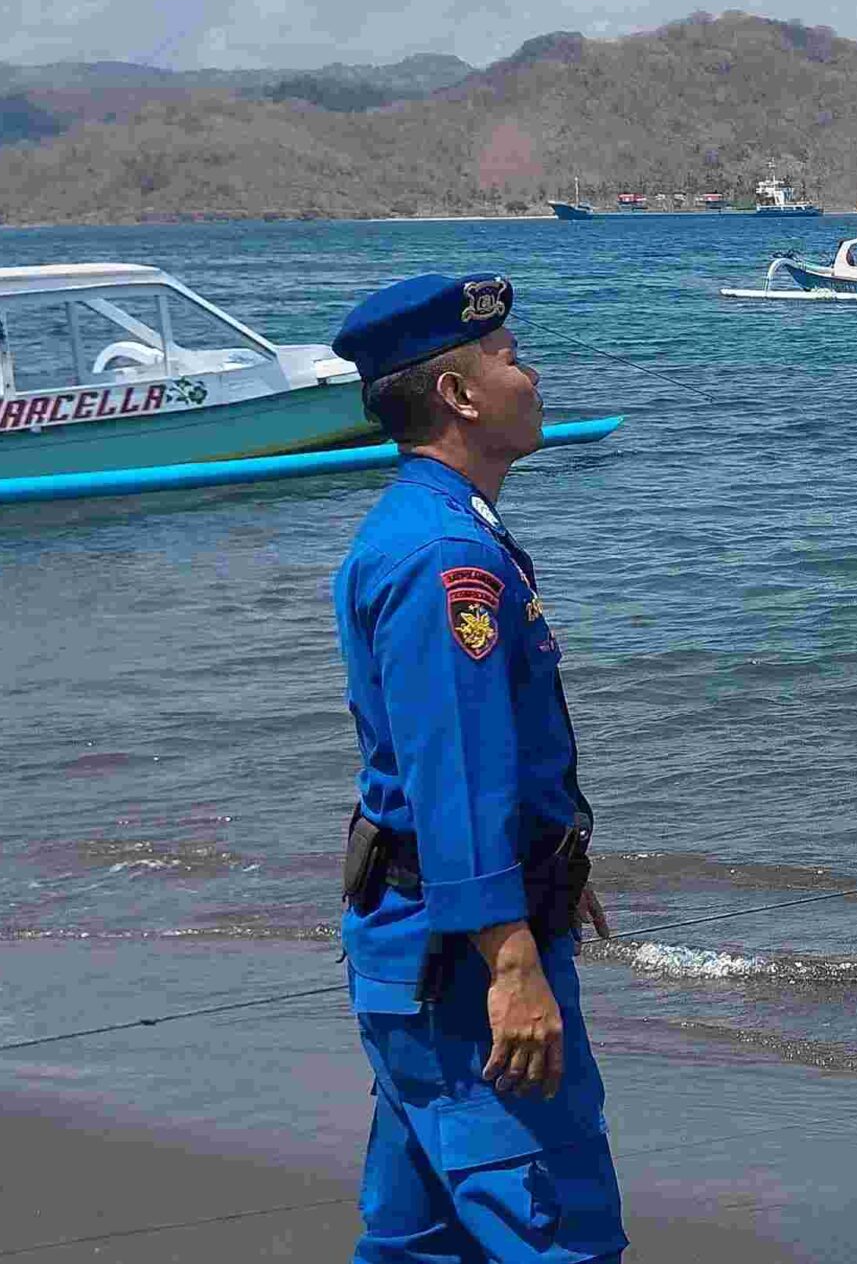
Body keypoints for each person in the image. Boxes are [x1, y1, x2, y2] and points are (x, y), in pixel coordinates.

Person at [330, 272, 627, 1263]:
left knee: (422, 1239)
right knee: (557, 1234)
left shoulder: (441, 529)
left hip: (423, 948)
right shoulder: (444, 558)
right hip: (457, 968)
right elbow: (451, 771)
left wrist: (548, 873)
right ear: (458, 397)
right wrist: (510, 961)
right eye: (509, 358)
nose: (531, 375)